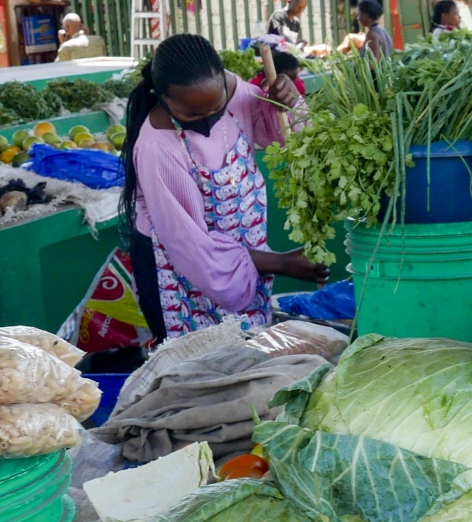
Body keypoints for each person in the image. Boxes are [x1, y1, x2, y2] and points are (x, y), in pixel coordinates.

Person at [121, 33, 327, 341]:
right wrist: (280, 263)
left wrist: (285, 99)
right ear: (163, 96)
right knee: (201, 374)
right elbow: (191, 247)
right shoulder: (157, 148)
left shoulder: (235, 91)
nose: (207, 117)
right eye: (192, 113)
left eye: (215, 106)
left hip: (243, 265)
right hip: (184, 275)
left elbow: (292, 139)